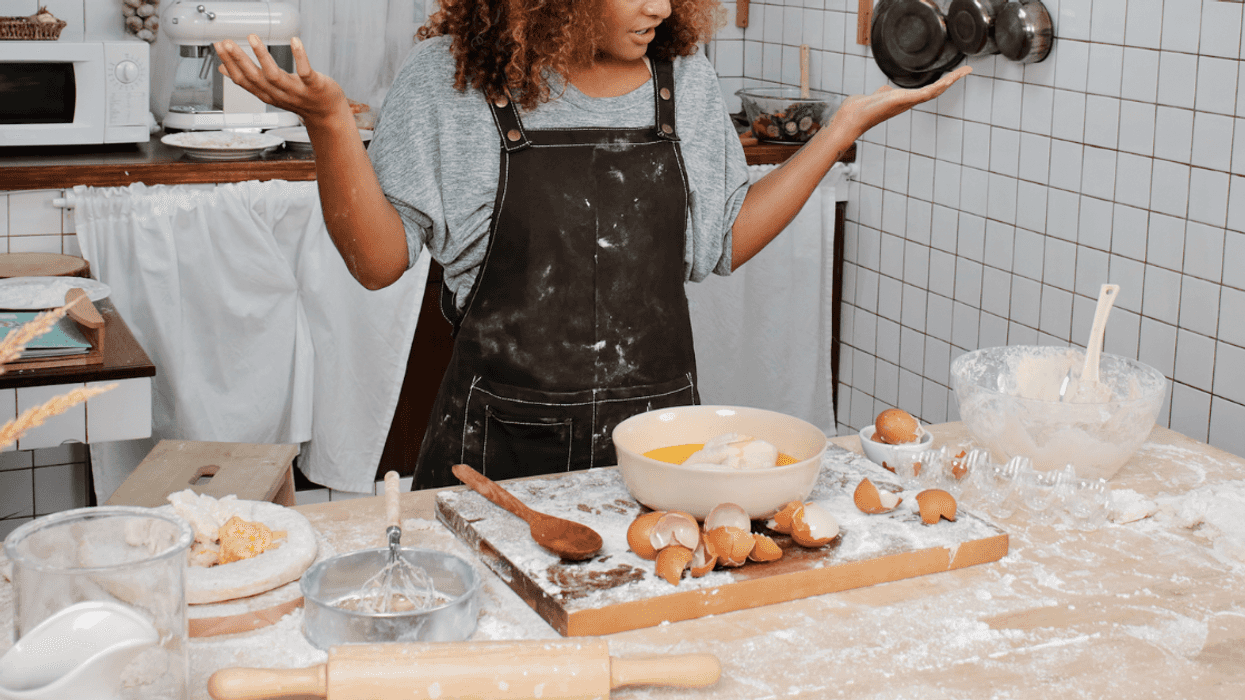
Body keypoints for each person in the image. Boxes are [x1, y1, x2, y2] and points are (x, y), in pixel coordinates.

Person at [213, 0, 970, 490]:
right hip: (495, 457)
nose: (661, 7)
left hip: (660, 452)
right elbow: (376, 266)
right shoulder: (447, 85)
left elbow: (721, 242)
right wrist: (331, 125)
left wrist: (841, 130)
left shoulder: (684, 81)